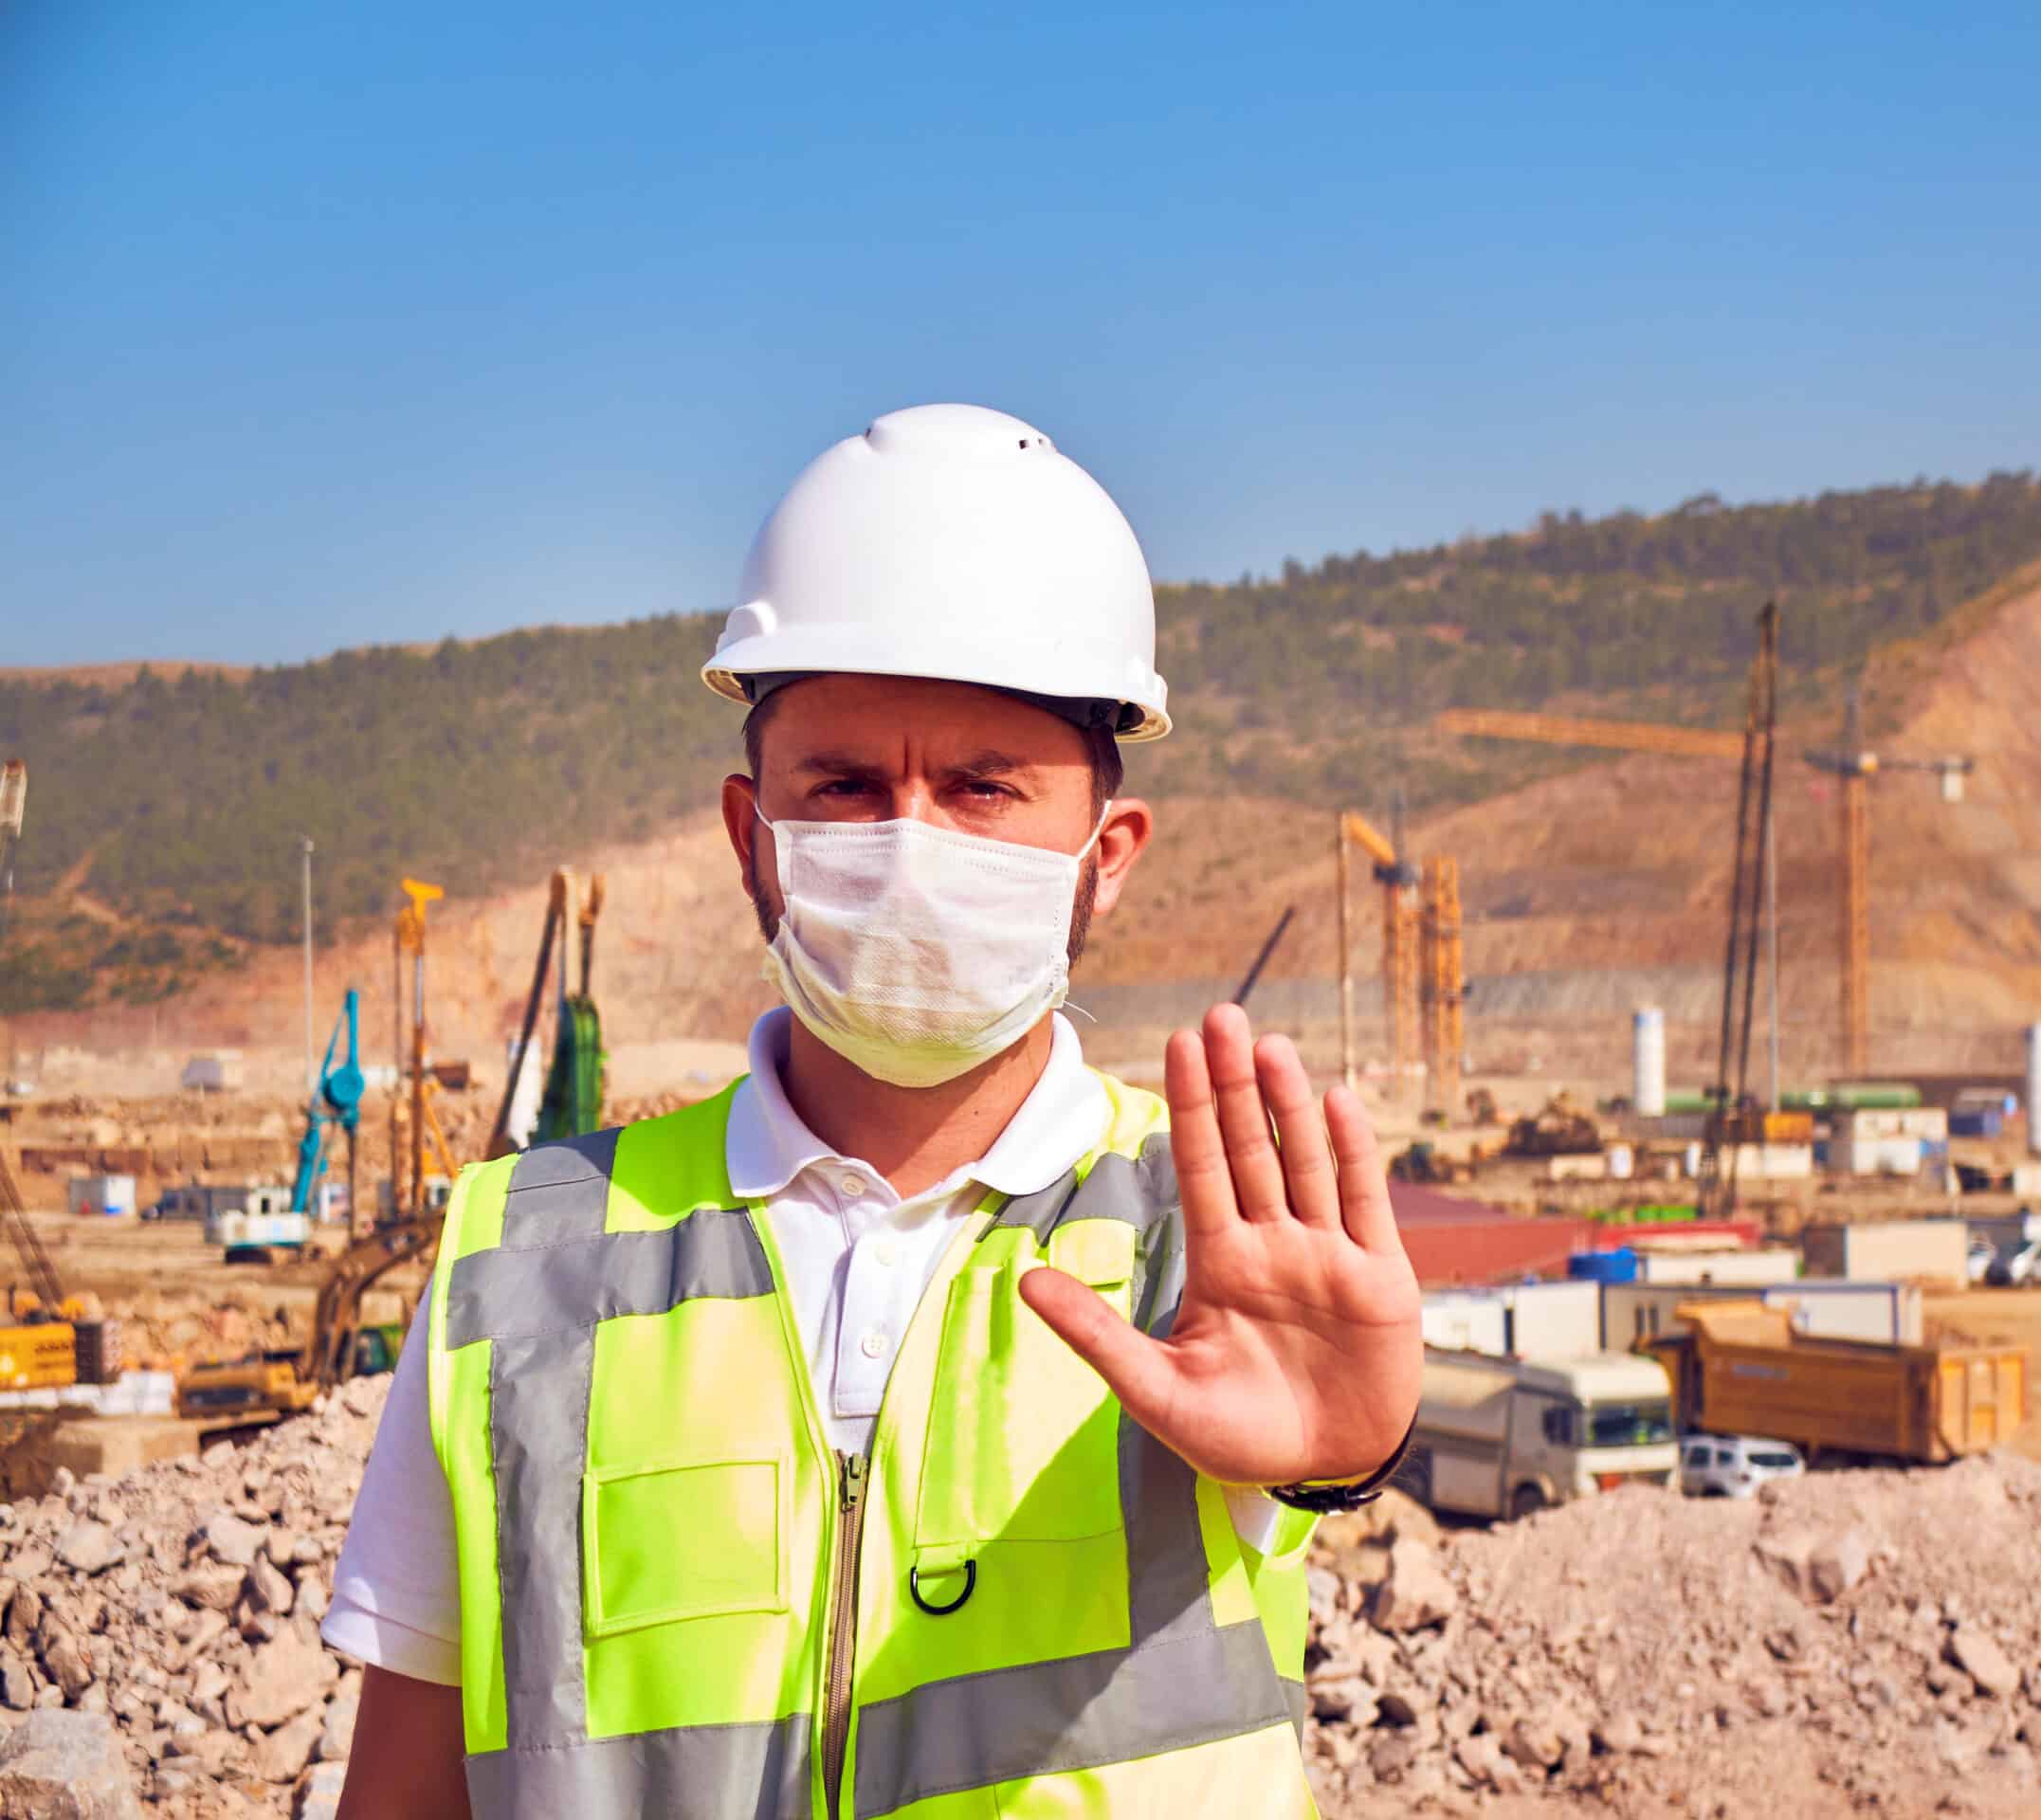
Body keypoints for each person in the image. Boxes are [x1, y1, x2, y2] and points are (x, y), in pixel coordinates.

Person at [326, 403, 1424, 1818]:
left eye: (984, 788)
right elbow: (408, 1784)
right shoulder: (521, 1262)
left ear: (1107, 857)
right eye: (846, 787)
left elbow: (1308, 1439)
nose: (913, 841)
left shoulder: (1213, 1246)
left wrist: (1346, 1460)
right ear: (750, 838)